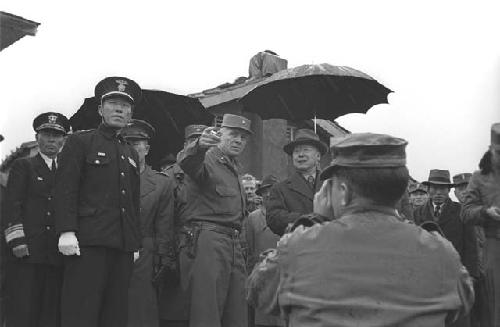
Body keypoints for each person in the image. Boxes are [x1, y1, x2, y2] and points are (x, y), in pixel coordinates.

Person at [247, 133, 474, 326]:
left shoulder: (298, 248)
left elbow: (258, 292)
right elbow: (462, 303)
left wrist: (315, 220)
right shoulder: (440, 251)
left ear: (343, 192)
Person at [54, 77, 142, 327]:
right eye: (113, 103)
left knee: (115, 314)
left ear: (130, 114)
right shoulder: (80, 142)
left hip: (122, 244)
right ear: (100, 109)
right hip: (87, 242)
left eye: (125, 106)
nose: (119, 109)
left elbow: (133, 201)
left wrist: (134, 241)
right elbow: (65, 189)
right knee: (81, 311)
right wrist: (66, 231)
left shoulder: (130, 152)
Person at [165, 114, 251, 327]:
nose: (238, 140)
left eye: (243, 137)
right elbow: (187, 161)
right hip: (208, 241)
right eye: (233, 134)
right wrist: (199, 145)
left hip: (232, 242)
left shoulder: (234, 166)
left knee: (236, 312)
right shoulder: (208, 157)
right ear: (220, 135)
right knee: (207, 311)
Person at [3, 112, 70, 327]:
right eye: (46, 135)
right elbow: (12, 205)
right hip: (28, 250)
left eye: (56, 136)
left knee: (51, 310)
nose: (51, 140)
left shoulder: (69, 170)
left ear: (63, 140)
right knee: (24, 308)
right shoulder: (24, 166)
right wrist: (17, 241)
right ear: (37, 137)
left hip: (57, 251)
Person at [120, 119, 176, 327]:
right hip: (112, 249)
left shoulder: (162, 183)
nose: (133, 148)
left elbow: (164, 224)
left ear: (147, 148)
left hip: (145, 254)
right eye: (127, 143)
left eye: (137, 143)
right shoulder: (107, 177)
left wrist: (164, 259)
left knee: (141, 312)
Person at [158, 124, 207, 326]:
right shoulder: (169, 177)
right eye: (193, 142)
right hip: (178, 248)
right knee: (175, 310)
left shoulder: (215, 172)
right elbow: (164, 219)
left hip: (206, 248)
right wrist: (167, 257)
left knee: (204, 307)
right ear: (186, 145)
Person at [462, 122, 500, 327]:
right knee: (494, 309)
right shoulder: (478, 178)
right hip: (494, 247)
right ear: (491, 150)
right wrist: (486, 212)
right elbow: (465, 213)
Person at [266, 129, 328, 236]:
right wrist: (307, 219)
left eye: (306, 150)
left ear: (318, 156)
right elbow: (274, 218)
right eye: (296, 151)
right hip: (297, 247)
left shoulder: (331, 184)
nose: (300, 155)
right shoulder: (280, 189)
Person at [243, 174, 284, 327]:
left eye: (272, 190)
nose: (268, 194)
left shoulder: (286, 216)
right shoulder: (253, 218)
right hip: (261, 277)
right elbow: (249, 251)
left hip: (283, 277)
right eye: (264, 191)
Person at [454, 173, 486, 327]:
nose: (465, 191)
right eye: (460, 188)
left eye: (468, 187)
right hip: (464, 277)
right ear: (454, 193)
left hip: (486, 274)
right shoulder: (454, 214)